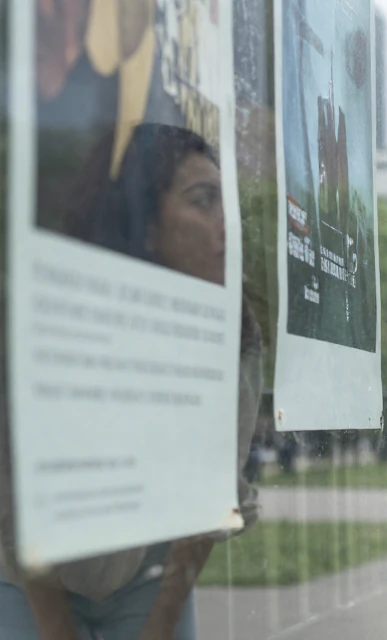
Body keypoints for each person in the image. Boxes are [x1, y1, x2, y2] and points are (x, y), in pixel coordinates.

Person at [0, 124, 262, 639]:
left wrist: (159, 624)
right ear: (143, 223)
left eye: (225, 202)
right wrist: (57, 629)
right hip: (25, 570)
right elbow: (11, 488)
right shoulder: (54, 317)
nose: (226, 224)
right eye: (203, 200)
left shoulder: (234, 331)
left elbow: (209, 495)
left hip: (148, 571)